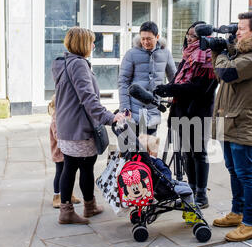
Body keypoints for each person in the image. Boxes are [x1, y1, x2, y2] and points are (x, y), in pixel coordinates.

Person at [211, 12, 252, 242]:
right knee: (233, 170)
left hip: (243, 122)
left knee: (246, 174)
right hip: (228, 119)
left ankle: (250, 223)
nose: (237, 32)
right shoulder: (242, 52)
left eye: (241, 28)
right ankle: (237, 212)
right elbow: (221, 73)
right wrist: (223, 50)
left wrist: (219, 52)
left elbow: (225, 72)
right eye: (237, 28)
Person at [52, 27, 125, 225]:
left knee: (70, 166)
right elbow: (88, 99)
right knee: (84, 167)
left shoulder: (64, 63)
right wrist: (110, 117)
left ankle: (76, 208)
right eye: (91, 42)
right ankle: (84, 208)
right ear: (83, 43)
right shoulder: (78, 65)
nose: (94, 45)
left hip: (66, 126)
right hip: (79, 128)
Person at [154, 21, 218, 209]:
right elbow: (177, 78)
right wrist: (167, 89)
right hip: (181, 109)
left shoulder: (210, 56)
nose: (189, 39)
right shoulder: (188, 55)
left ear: (204, 38)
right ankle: (190, 188)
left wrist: (170, 88)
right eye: (188, 35)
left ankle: (201, 193)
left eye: (194, 36)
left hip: (198, 111)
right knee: (186, 153)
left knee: (199, 153)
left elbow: (200, 88)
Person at [118, 21, 176, 136]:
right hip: (134, 111)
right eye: (143, 38)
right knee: (131, 150)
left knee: (150, 149)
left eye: (149, 38)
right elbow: (123, 82)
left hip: (153, 111)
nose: (145, 42)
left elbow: (174, 79)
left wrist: (172, 95)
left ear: (157, 37)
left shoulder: (166, 53)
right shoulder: (131, 54)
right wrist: (125, 108)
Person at [138, 134, 199, 225]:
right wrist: (171, 182)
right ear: (150, 152)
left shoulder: (142, 161)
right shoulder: (156, 162)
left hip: (155, 187)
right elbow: (166, 177)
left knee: (184, 184)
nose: (157, 152)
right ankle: (190, 214)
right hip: (164, 189)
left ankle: (185, 206)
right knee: (188, 190)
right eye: (156, 150)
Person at [48, 94, 81, 208]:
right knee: (60, 173)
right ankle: (56, 196)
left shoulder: (63, 116)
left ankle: (69, 194)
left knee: (69, 173)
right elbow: (58, 136)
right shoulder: (55, 120)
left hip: (67, 151)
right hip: (59, 152)